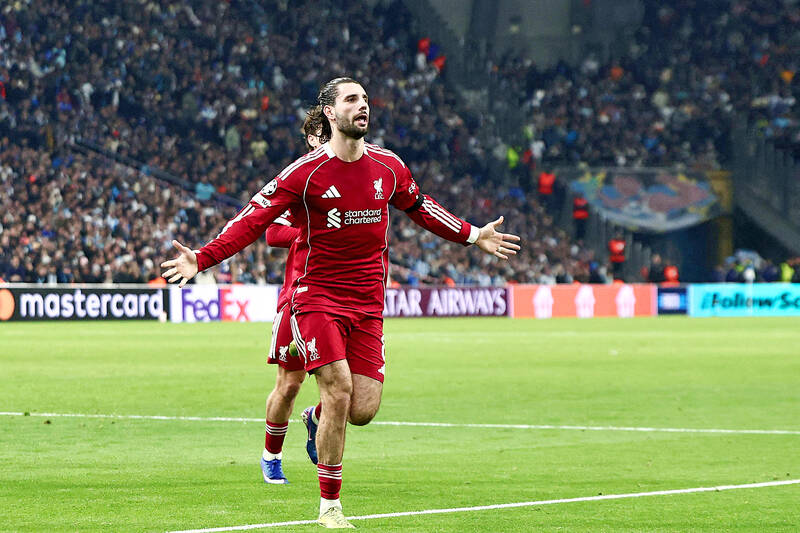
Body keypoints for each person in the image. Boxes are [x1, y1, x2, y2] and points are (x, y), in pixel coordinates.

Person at [161, 77, 521, 529]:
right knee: (337, 390)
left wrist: (472, 234)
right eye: (352, 99)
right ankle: (329, 506)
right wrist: (203, 257)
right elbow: (254, 220)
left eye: (365, 98)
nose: (362, 105)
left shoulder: (389, 166)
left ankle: (315, 420)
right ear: (330, 113)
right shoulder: (304, 174)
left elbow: (421, 206)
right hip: (317, 299)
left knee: (362, 409)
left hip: (368, 303)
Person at [260, 106, 330, 484]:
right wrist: (313, 233)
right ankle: (271, 457)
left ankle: (316, 417)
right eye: (322, 134)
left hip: (343, 297)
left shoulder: (355, 174)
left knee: (353, 385)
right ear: (312, 139)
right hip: (299, 297)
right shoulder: (299, 179)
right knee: (289, 385)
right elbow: (272, 232)